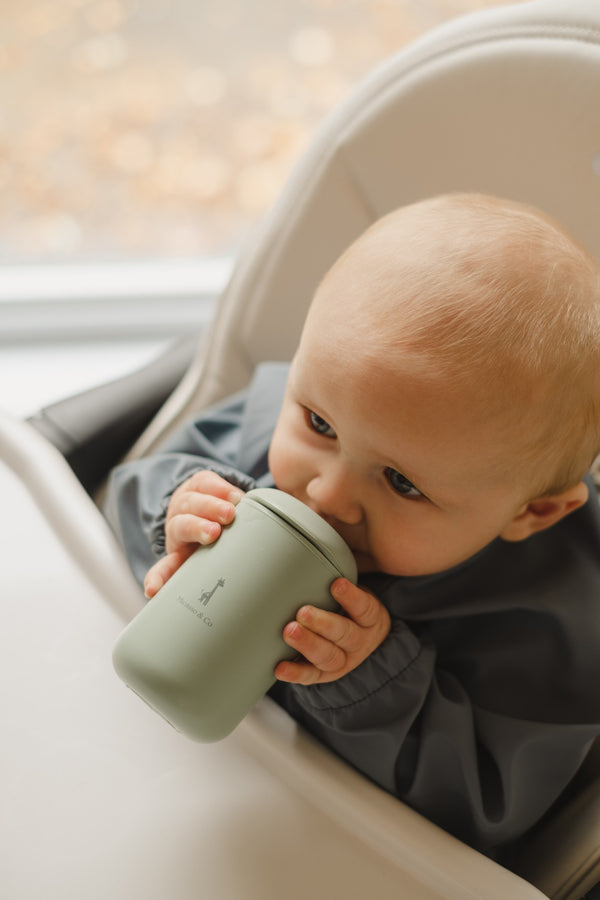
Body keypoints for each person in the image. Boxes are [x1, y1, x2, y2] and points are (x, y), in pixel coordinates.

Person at [104, 193, 600, 857]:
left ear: (530, 512)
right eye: (319, 425)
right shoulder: (271, 436)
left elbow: (491, 810)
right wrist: (173, 516)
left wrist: (368, 682)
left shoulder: (553, 621)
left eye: (401, 482)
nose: (326, 493)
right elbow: (124, 499)